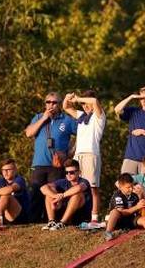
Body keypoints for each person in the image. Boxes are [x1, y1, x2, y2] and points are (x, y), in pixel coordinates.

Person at [26, 91, 78, 223]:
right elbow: (28, 133)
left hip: (57, 165)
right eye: (48, 102)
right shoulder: (38, 117)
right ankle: (34, 221)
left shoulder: (66, 120)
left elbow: (82, 134)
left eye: (54, 102)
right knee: (35, 192)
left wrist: (70, 153)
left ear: (60, 104)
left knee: (54, 192)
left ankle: (54, 220)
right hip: (39, 163)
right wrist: (44, 118)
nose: (51, 105)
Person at [63, 89, 106, 226]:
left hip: (91, 154)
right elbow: (65, 106)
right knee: (75, 186)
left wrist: (79, 99)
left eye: (86, 103)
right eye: (83, 104)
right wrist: (68, 97)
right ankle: (73, 216)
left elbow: (94, 101)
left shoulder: (99, 116)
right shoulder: (81, 116)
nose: (85, 106)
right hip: (78, 155)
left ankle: (94, 218)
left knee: (93, 187)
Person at [40, 159, 92, 230]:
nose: (68, 174)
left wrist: (61, 196)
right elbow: (43, 188)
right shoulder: (63, 182)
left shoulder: (84, 182)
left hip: (80, 217)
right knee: (49, 193)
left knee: (77, 195)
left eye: (71, 172)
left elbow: (79, 188)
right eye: (66, 172)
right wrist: (55, 196)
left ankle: (62, 223)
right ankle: (51, 222)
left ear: (79, 172)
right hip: (62, 212)